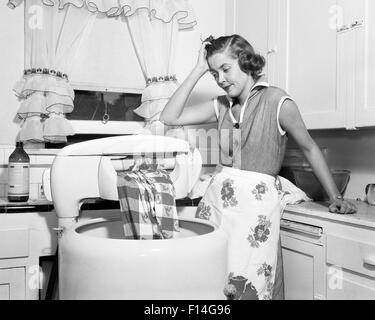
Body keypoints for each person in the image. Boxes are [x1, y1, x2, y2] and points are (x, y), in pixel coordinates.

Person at [159, 34, 357, 300]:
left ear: (246, 62)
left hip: (253, 215)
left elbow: (310, 147)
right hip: (217, 206)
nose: (220, 79)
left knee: (248, 286)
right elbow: (169, 117)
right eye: (214, 73)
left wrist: (336, 197)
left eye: (226, 69)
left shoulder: (277, 101)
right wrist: (198, 70)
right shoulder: (220, 106)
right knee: (208, 284)